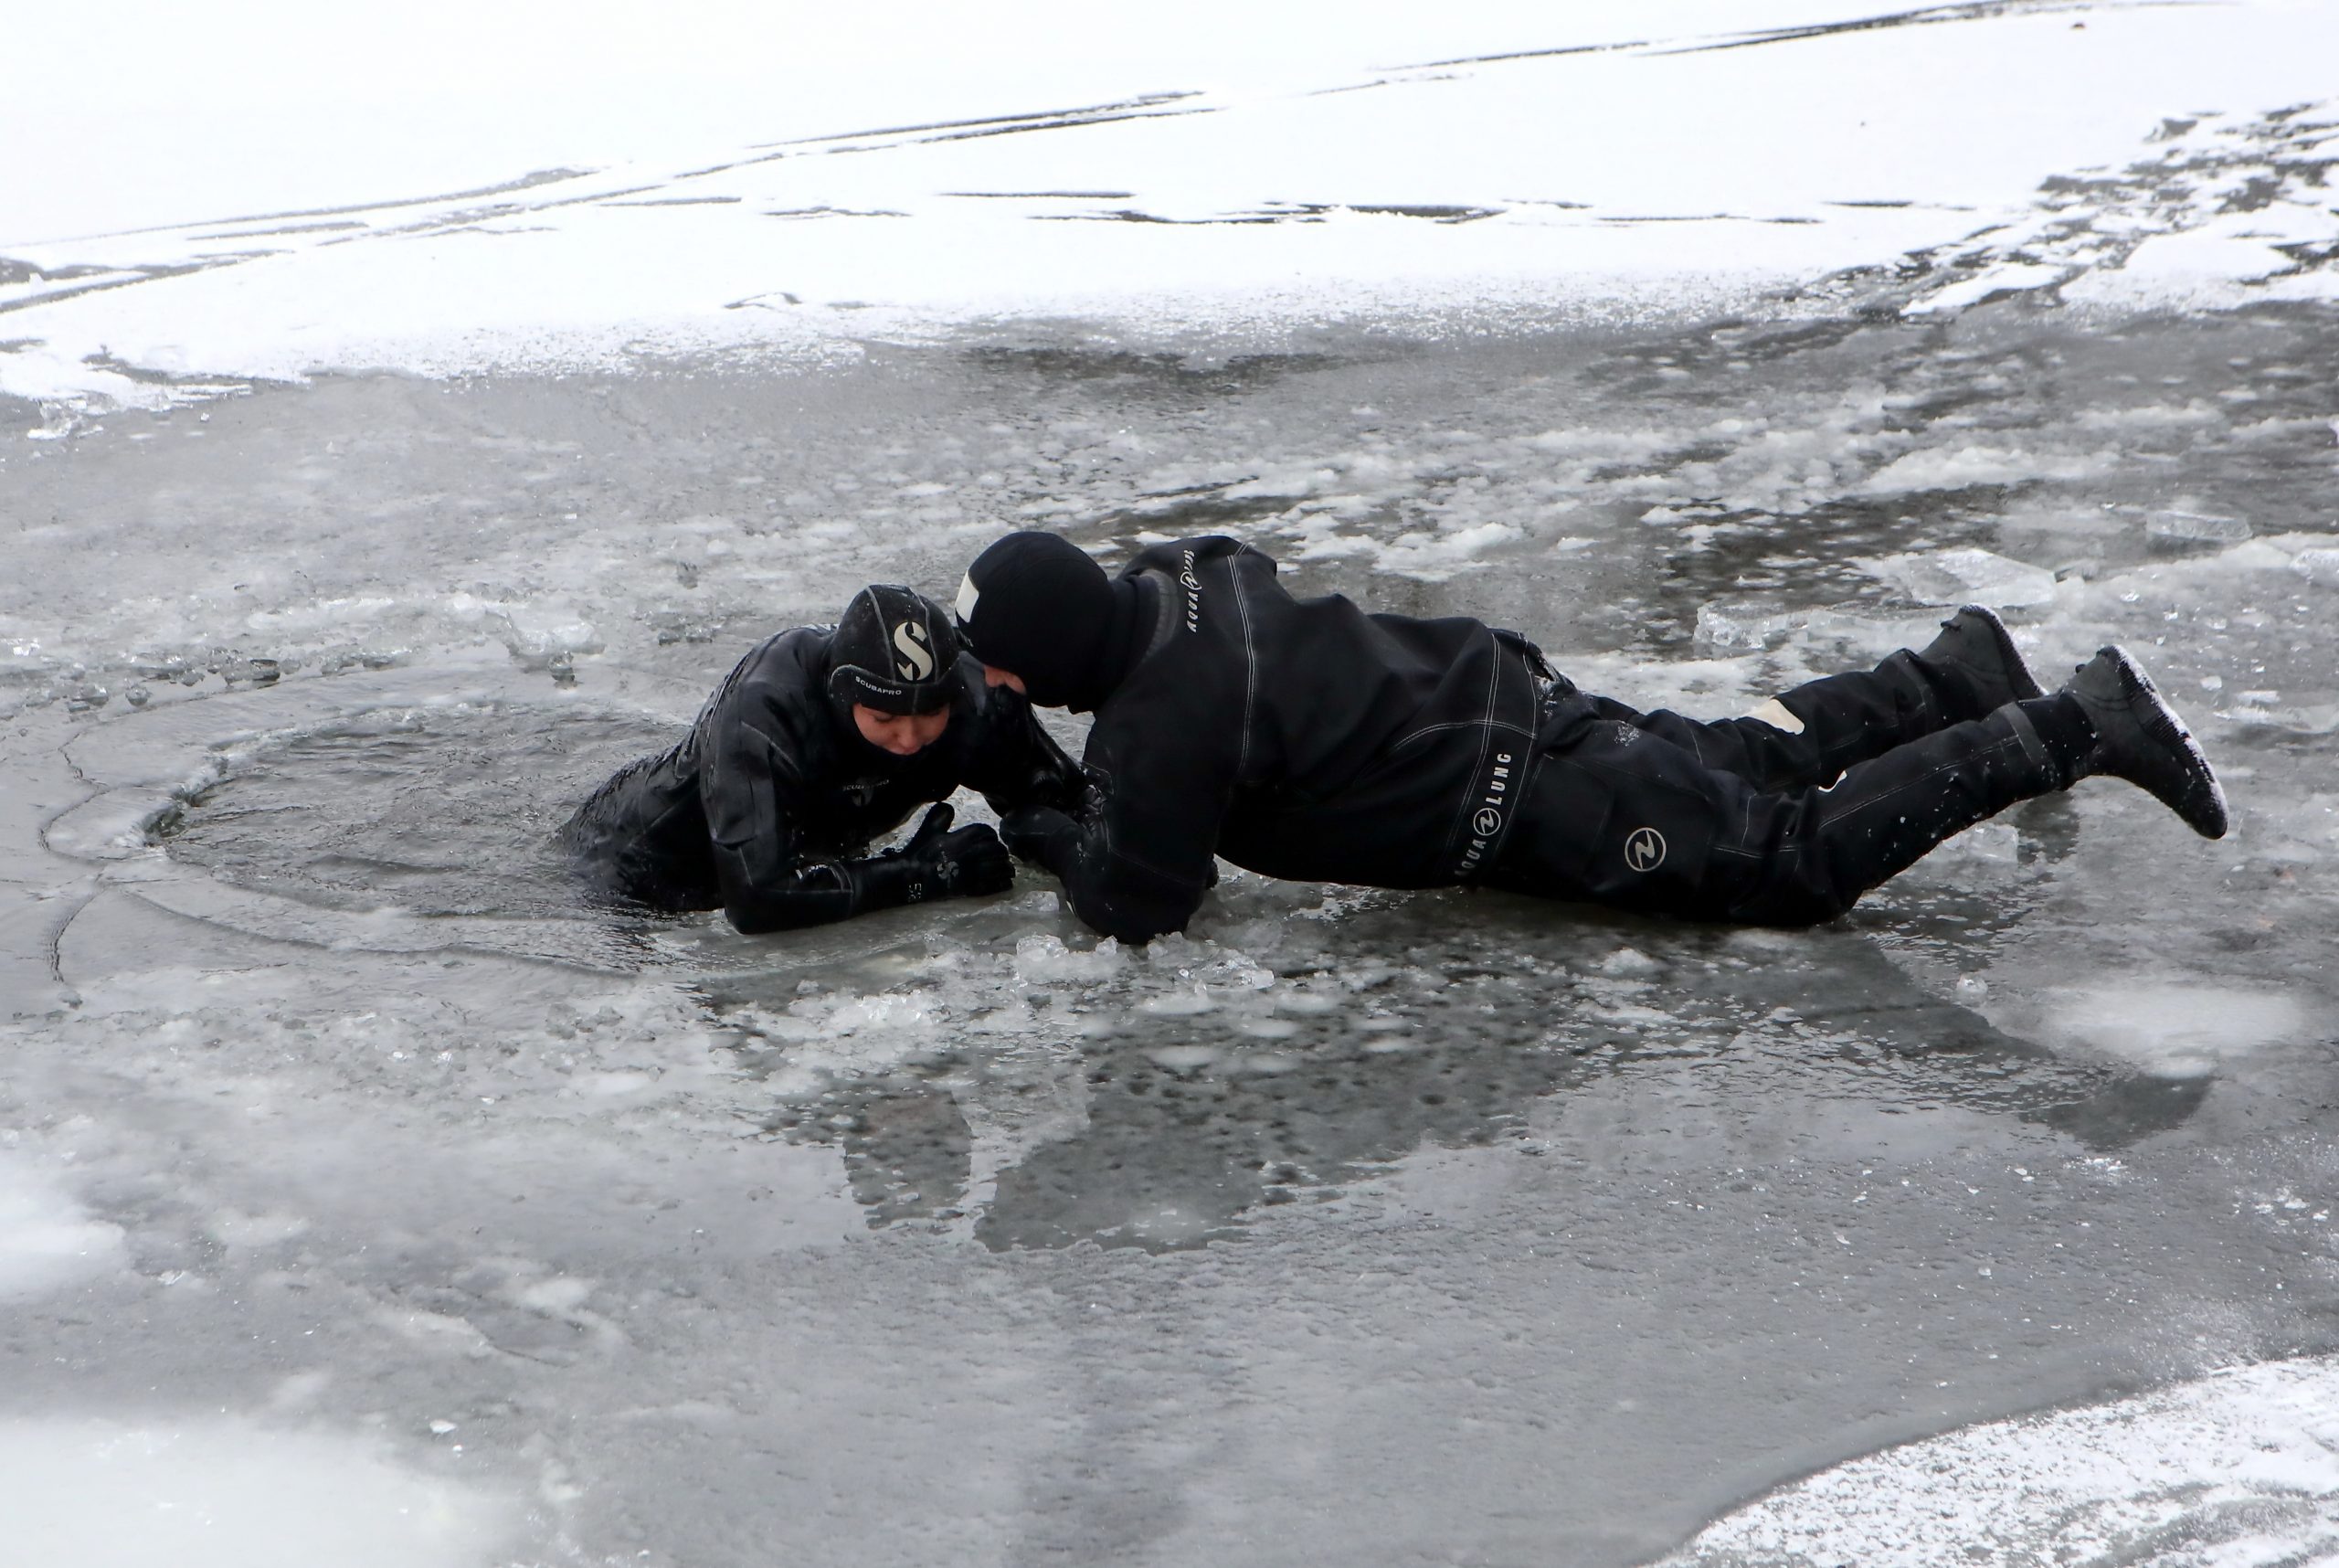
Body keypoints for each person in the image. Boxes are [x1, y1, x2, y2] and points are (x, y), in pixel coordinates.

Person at [950, 531, 2228, 944]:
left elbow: (1140, 902)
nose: (1002, 686)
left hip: (1519, 797)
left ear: (1059, 652)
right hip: (1509, 690)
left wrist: (1058, 831)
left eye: (1008, 665)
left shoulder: (1157, 726)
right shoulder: (1187, 575)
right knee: (1729, 760)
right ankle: (1947, 676)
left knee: (1776, 863)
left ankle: (2070, 724)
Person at [561, 583, 1082, 933]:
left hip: (807, 844)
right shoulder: (766, 713)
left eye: (931, 719)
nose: (909, 739)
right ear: (841, 695)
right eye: (885, 720)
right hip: (638, 874)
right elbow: (759, 897)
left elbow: (1064, 798)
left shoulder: (970, 702)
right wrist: (922, 875)